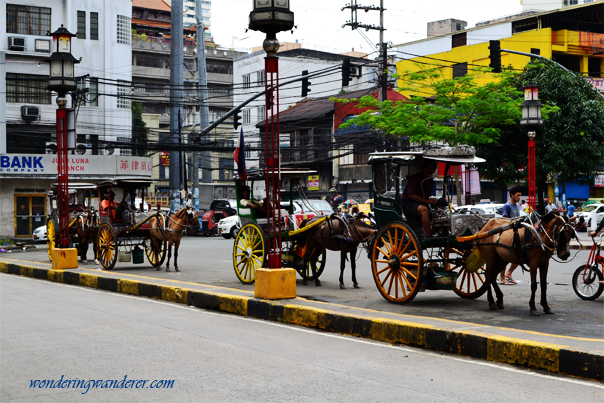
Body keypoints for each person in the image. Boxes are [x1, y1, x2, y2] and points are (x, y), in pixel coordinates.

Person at [401, 159, 437, 237]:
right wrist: (427, 201)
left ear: (434, 170)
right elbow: (411, 195)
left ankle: (435, 232)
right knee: (424, 210)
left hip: (421, 204)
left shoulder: (430, 180)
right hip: (409, 205)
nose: (429, 170)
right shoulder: (415, 178)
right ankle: (429, 235)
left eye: (431, 168)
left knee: (438, 214)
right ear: (423, 168)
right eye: (427, 167)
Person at [499, 186, 522, 285]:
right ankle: (502, 277)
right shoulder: (507, 206)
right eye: (518, 195)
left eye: (520, 195)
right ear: (512, 195)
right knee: (505, 257)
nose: (519, 197)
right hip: (508, 233)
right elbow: (505, 220)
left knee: (519, 255)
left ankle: (509, 273)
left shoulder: (517, 205)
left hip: (517, 233)